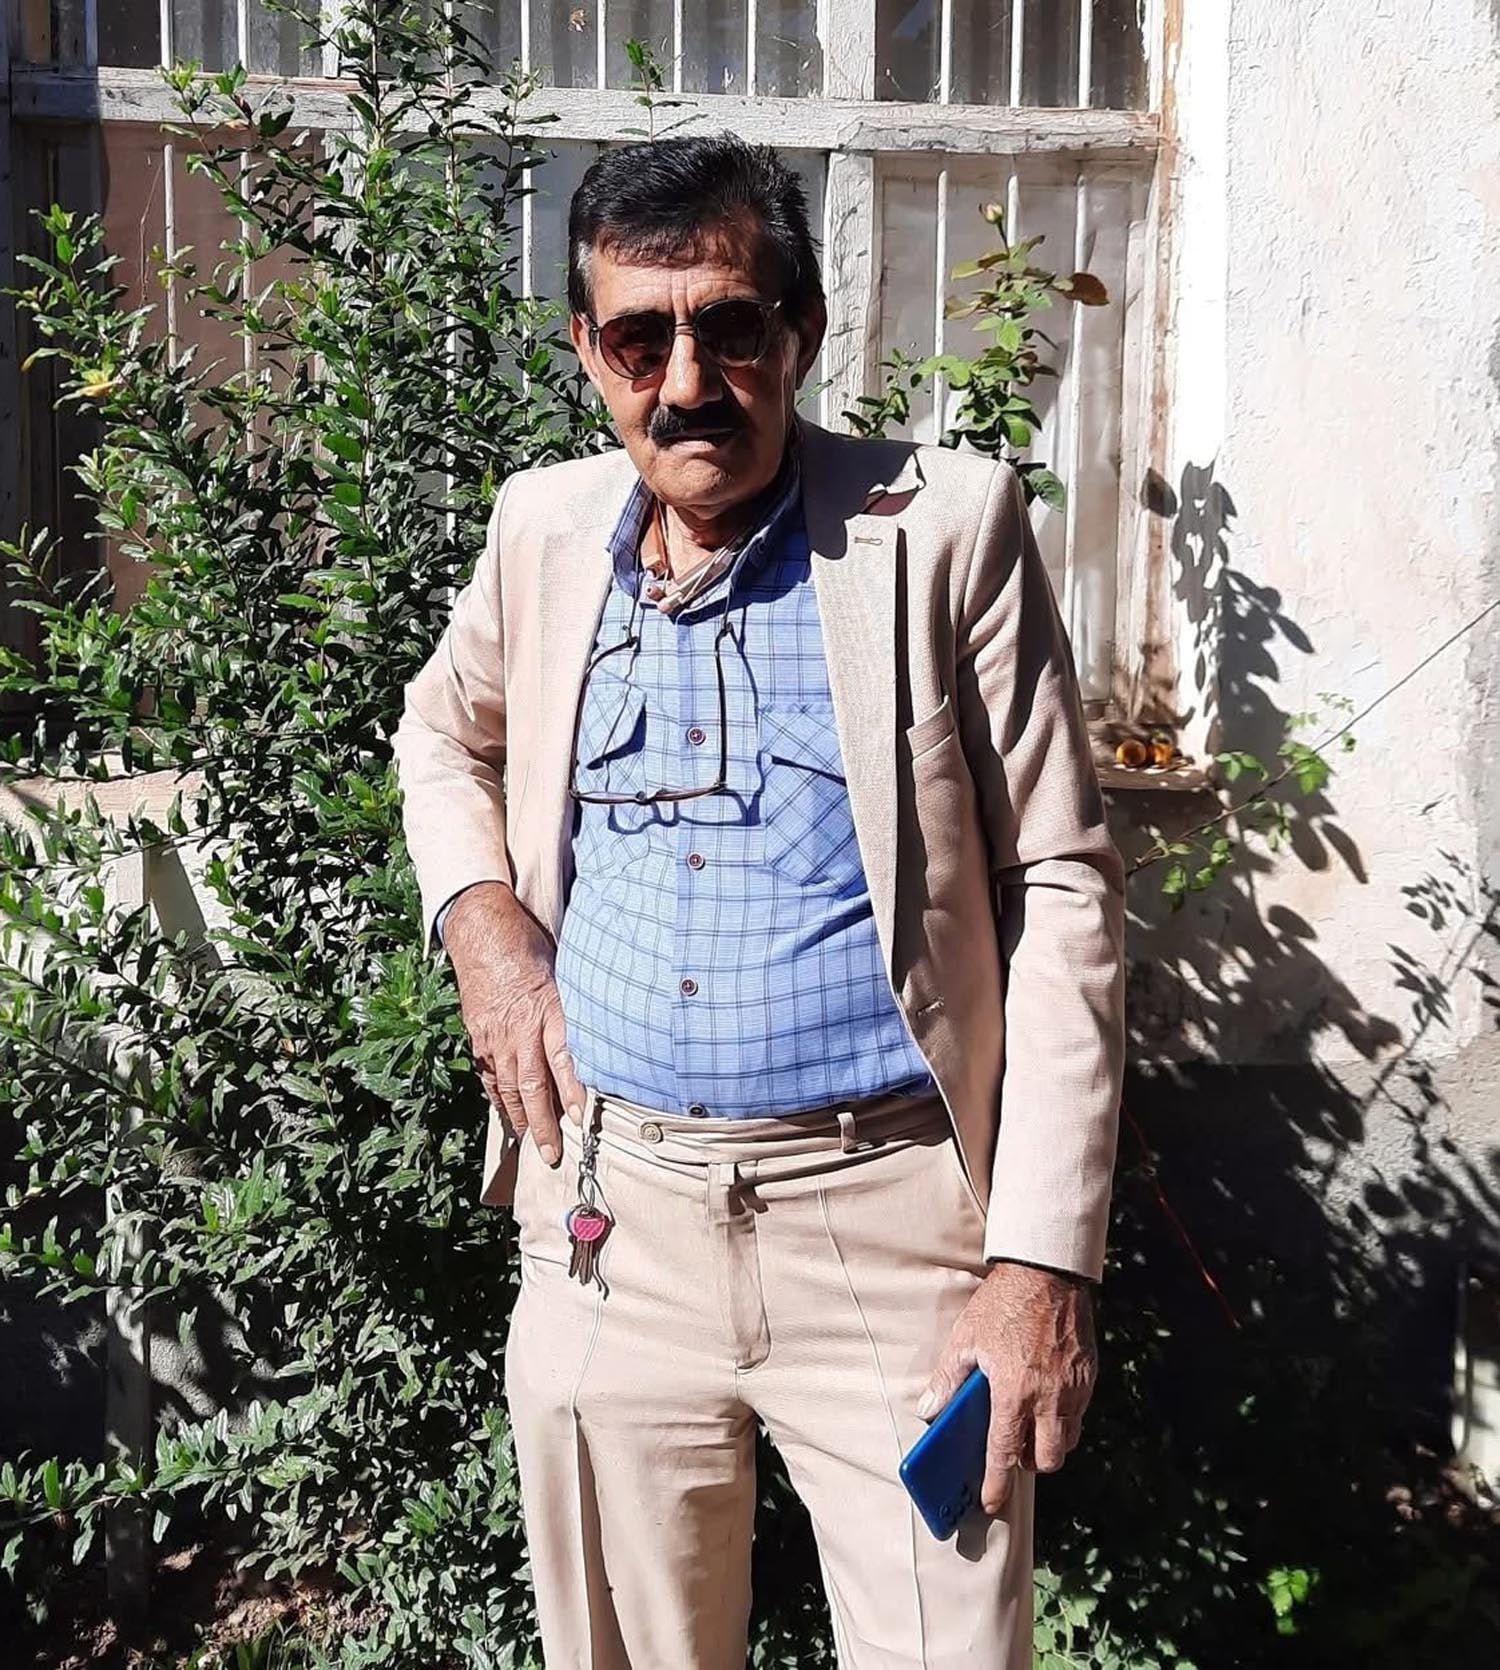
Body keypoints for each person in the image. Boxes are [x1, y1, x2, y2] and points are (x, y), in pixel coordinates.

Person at [391, 132, 1125, 1670]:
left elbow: (1063, 882)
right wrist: (483, 923)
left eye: (730, 327)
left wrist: (1041, 1259)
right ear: (587, 349)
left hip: (894, 1229)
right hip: (613, 1222)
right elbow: (440, 734)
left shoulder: (944, 530)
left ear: (801, 330)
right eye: (639, 339)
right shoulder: (541, 530)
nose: (687, 383)